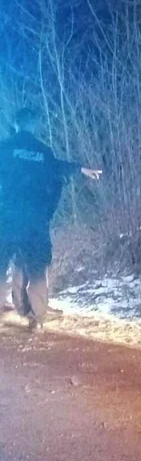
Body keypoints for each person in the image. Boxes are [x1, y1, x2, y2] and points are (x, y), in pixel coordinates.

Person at [0, 108, 102, 331]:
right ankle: (37, 317)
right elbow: (58, 170)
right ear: (34, 126)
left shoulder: (5, 148)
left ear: (16, 124)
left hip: (6, 218)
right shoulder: (43, 151)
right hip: (35, 221)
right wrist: (81, 169)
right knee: (37, 267)